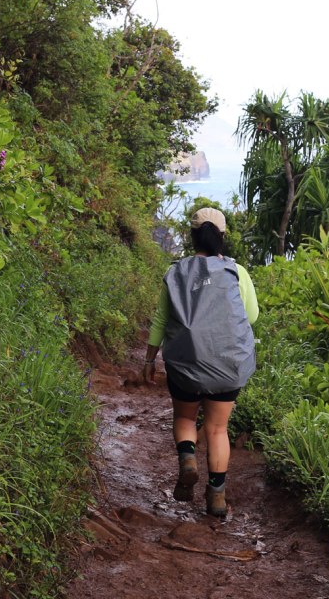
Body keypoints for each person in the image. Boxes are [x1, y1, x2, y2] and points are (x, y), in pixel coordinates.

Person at [142, 207, 258, 518]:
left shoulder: (175, 272)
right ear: (222, 237)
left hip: (185, 365)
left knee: (184, 419)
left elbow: (161, 320)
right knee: (218, 429)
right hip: (227, 365)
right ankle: (217, 497)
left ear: (192, 236)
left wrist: (150, 359)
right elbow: (251, 316)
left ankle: (188, 460)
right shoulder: (237, 272)